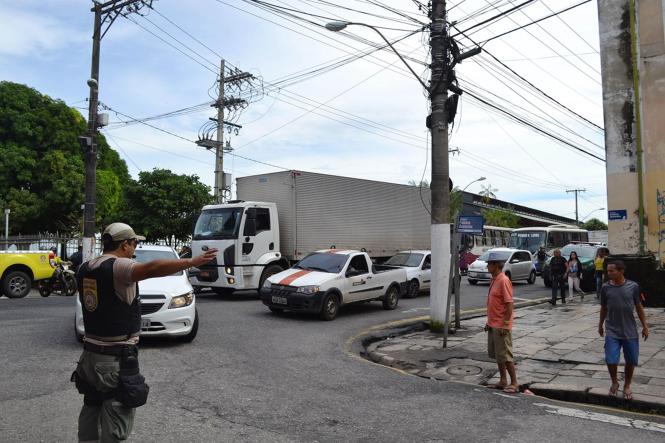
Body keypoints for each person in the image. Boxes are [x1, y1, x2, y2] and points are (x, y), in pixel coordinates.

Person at [72, 223, 217, 442]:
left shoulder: (86, 266)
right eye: (134, 244)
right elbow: (151, 269)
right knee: (116, 419)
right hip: (113, 359)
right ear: (124, 245)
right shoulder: (119, 267)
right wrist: (191, 261)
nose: (135, 250)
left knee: (91, 409)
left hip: (89, 357)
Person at [598, 260, 649, 401]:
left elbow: (639, 307)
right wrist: (600, 324)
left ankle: (627, 385)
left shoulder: (633, 286)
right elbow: (603, 308)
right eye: (607, 271)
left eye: (611, 271)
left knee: (631, 360)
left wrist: (645, 326)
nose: (608, 274)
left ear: (621, 271)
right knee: (611, 359)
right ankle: (614, 382)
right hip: (612, 330)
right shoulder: (605, 288)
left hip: (630, 330)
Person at [484, 252, 518, 394]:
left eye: (490, 264)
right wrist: (489, 322)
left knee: (506, 355)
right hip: (493, 324)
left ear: (496, 265)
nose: (487, 266)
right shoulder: (494, 279)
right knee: (498, 355)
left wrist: (505, 323)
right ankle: (503, 380)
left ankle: (514, 383)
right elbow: (494, 303)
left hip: (501, 325)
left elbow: (509, 304)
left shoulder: (503, 280)